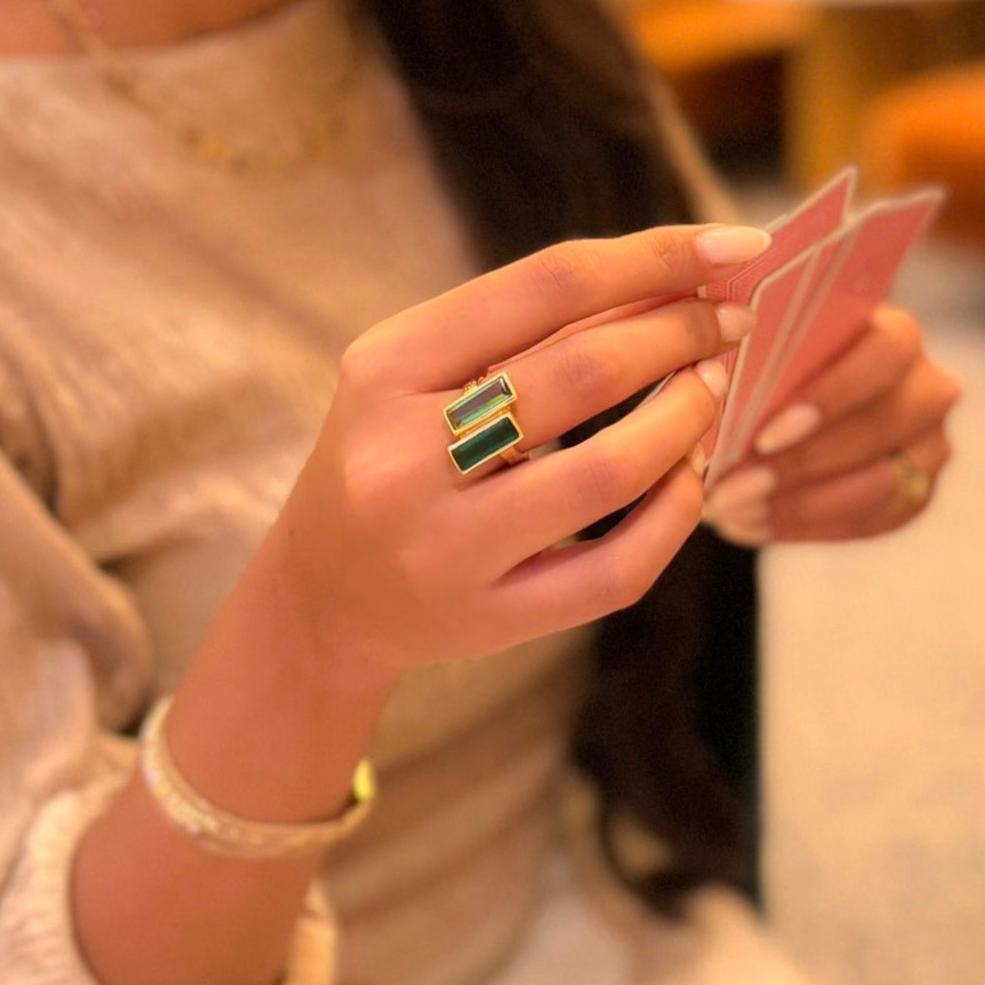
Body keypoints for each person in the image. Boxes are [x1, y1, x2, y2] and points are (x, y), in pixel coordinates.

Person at [0, 2, 960, 984]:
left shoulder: (521, 33)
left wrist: (836, 434)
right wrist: (311, 631)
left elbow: (715, 346)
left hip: (612, 904)